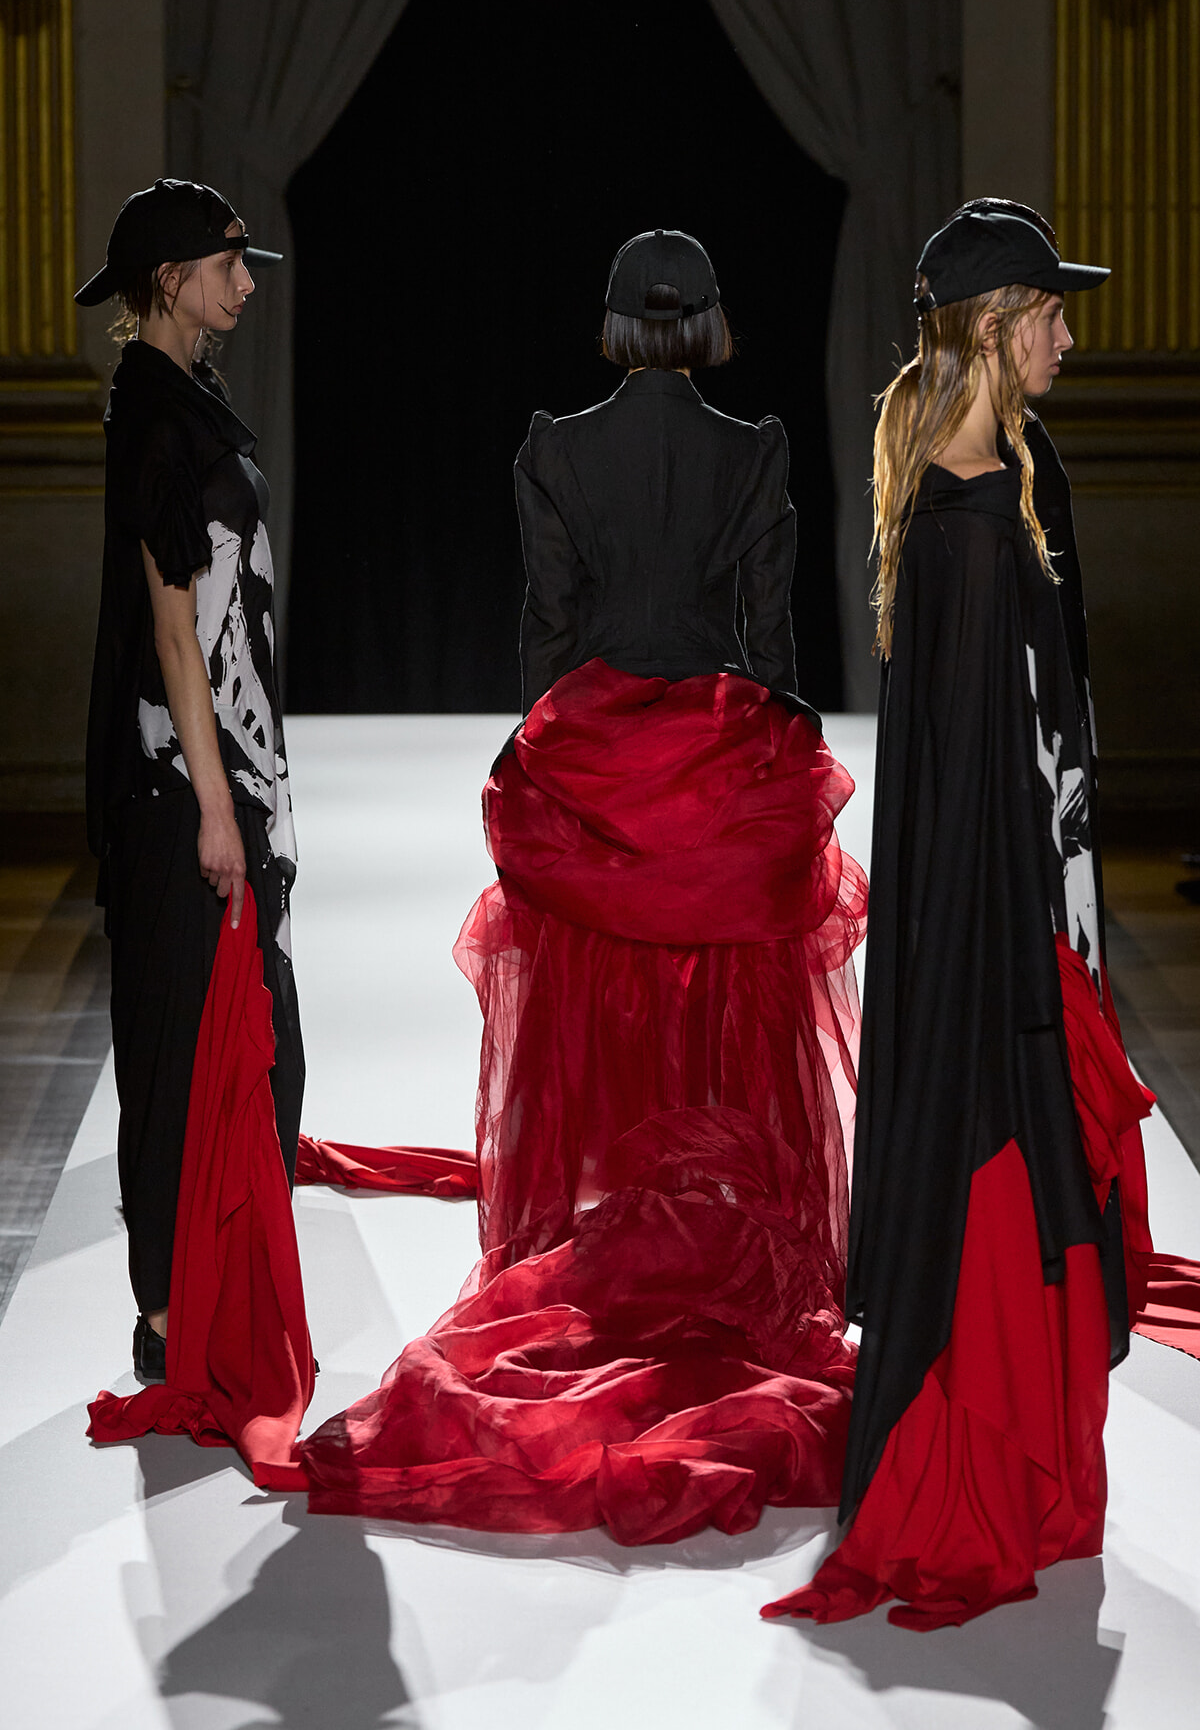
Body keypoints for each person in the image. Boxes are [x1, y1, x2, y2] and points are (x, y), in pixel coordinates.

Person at [299, 230, 868, 1542]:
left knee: (590, 1013)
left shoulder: (556, 448)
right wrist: (767, 776)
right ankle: (730, 1240)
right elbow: (773, 643)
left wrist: (549, 777)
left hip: (602, 751)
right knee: (734, 1010)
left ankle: (602, 1235)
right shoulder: (758, 450)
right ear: (709, 321)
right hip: (725, 754)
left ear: (614, 324)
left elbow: (548, 634)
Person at [762, 206, 1183, 1630]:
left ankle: (1023, 1477)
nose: (1072, 332)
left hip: (1035, 921)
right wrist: (1022, 977)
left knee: (1058, 1199)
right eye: (1053, 312)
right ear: (998, 326)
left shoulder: (1010, 480)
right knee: (1018, 1194)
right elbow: (960, 801)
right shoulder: (963, 527)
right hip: (1001, 947)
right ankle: (967, 1483)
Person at [77, 179, 304, 1385]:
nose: (248, 282)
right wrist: (221, 811)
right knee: (179, 1046)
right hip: (185, 792)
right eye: (229, 264)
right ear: (171, 279)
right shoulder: (155, 418)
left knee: (254, 1041)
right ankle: (168, 1319)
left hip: (221, 774)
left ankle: (202, 1302)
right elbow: (173, 632)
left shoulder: (181, 397)